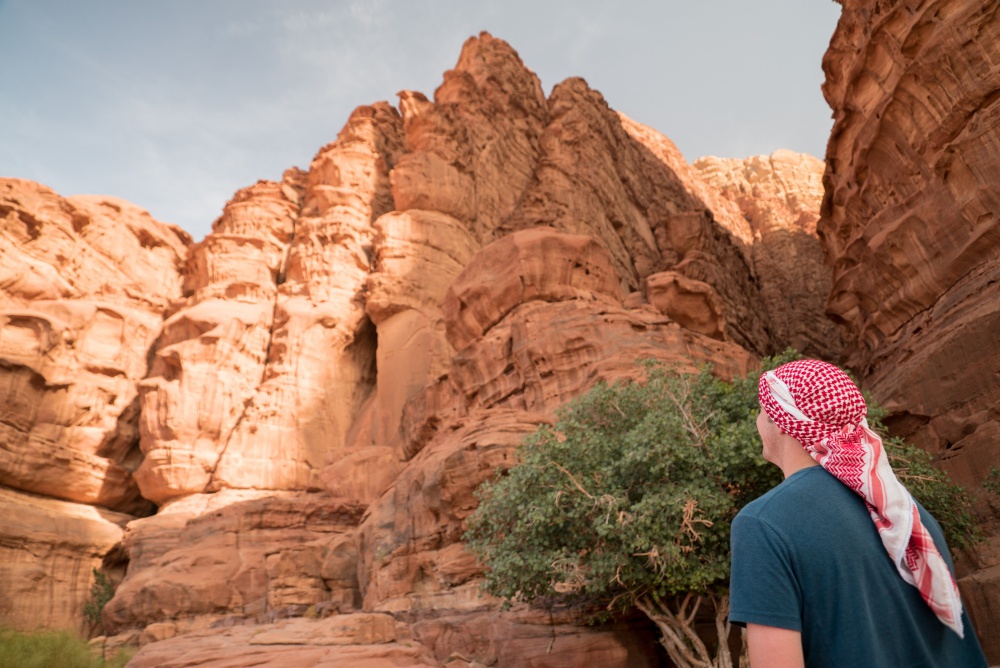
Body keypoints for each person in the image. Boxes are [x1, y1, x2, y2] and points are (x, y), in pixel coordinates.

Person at [729, 359, 988, 668]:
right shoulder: (909, 515)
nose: (757, 421)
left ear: (780, 420)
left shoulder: (763, 524)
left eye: (761, 410)